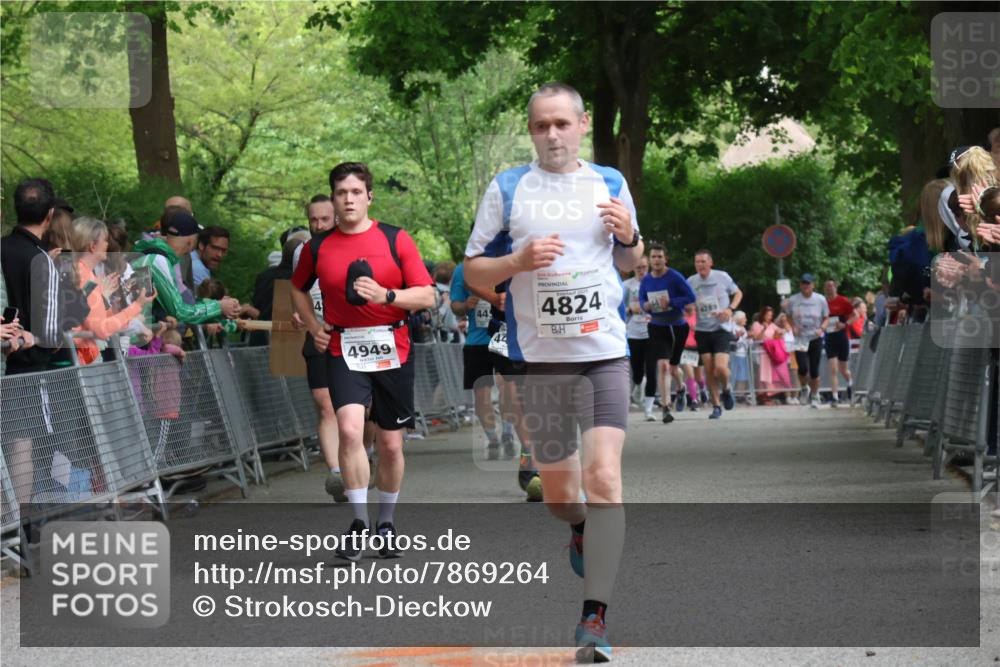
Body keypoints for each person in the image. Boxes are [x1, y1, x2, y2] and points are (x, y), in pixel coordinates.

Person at [464, 81, 642, 662]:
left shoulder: (610, 182)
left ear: (583, 124)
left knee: (606, 478)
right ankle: (578, 528)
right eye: (541, 126)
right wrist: (515, 262)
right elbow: (472, 272)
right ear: (532, 130)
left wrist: (630, 238)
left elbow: (631, 262)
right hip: (538, 363)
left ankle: (595, 618)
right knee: (562, 496)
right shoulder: (509, 187)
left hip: (603, 355)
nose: (552, 135)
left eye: (562, 123)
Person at [290, 161, 435, 561]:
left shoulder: (396, 239)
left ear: (369, 196)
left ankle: (385, 523)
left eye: (356, 192)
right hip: (343, 347)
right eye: (341, 193)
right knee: (350, 431)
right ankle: (358, 523)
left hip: (393, 346)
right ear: (333, 199)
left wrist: (387, 296)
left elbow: (427, 295)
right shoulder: (316, 247)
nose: (348, 199)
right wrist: (313, 325)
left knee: (389, 443)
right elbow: (297, 288)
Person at [451, 260, 542, 501]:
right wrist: (492, 298)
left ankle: (528, 447)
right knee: (507, 393)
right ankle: (524, 453)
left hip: (537, 330)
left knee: (530, 396)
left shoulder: (538, 246)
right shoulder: (482, 262)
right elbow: (464, 290)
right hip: (494, 334)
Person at [1, 179, 90, 374]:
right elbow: (50, 333)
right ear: (50, 214)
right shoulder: (42, 259)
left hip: (5, 360)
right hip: (32, 367)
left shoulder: (2, 246)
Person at [291, 195, 345, 501]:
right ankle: (336, 473)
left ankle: (362, 457)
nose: (318, 225)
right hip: (319, 335)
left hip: (353, 338)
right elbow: (296, 289)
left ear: (336, 218)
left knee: (357, 410)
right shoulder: (303, 252)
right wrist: (301, 315)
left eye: (324, 219)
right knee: (325, 405)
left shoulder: (354, 245)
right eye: (313, 219)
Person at [131, 211, 242, 329]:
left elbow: (180, 305)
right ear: (191, 241)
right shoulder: (158, 261)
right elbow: (180, 312)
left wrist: (219, 307)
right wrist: (218, 306)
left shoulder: (156, 256)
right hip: (132, 339)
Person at [68, 217, 156, 365]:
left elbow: (103, 317)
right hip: (81, 359)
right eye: (105, 240)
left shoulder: (87, 274)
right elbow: (101, 329)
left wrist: (137, 326)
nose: (108, 245)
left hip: (84, 356)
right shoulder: (83, 276)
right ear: (92, 246)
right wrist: (137, 306)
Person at [639, 243, 695, 423]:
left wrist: (671, 302)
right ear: (649, 259)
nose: (656, 260)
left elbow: (690, 298)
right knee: (663, 366)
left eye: (659, 257)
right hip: (657, 326)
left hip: (677, 326)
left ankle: (681, 387)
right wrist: (645, 306)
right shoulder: (646, 280)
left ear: (665, 259)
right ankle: (666, 407)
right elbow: (641, 299)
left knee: (673, 367)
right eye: (653, 257)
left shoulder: (675, 277)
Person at [687, 249, 743, 419]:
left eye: (703, 261)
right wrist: (689, 309)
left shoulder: (722, 277)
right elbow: (688, 304)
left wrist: (730, 309)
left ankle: (726, 389)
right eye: (697, 262)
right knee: (710, 370)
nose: (700, 265)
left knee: (721, 368)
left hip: (722, 329)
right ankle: (716, 406)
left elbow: (738, 293)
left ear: (711, 263)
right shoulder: (691, 281)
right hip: (703, 330)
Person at [786, 273, 830, 409]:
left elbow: (827, 318)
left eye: (808, 283)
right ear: (800, 285)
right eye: (803, 283)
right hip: (800, 338)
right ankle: (805, 387)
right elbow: (788, 316)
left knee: (814, 369)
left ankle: (815, 395)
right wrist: (792, 326)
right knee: (802, 368)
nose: (805, 286)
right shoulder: (793, 300)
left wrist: (822, 328)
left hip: (815, 337)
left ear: (813, 285)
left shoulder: (820, 299)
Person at [621, 254, 649, 407]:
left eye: (644, 267)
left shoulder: (654, 283)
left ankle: (651, 398)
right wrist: (631, 308)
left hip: (652, 329)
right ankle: (638, 384)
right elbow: (618, 309)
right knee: (637, 367)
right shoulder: (626, 286)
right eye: (638, 268)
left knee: (652, 365)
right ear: (633, 268)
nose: (641, 270)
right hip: (632, 331)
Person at [823, 279, 855, 406]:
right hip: (830, 337)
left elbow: (855, 315)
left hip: (842, 337)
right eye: (827, 286)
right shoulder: (822, 302)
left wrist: (845, 324)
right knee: (833, 369)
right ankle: (835, 397)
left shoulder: (842, 300)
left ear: (835, 287)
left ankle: (851, 384)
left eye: (831, 286)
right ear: (824, 289)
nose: (829, 288)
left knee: (844, 370)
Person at [187, 226, 230, 290]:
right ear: (201, 245)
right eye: (215, 248)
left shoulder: (189, 257)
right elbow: (206, 299)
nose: (219, 255)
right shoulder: (198, 268)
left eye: (223, 250)